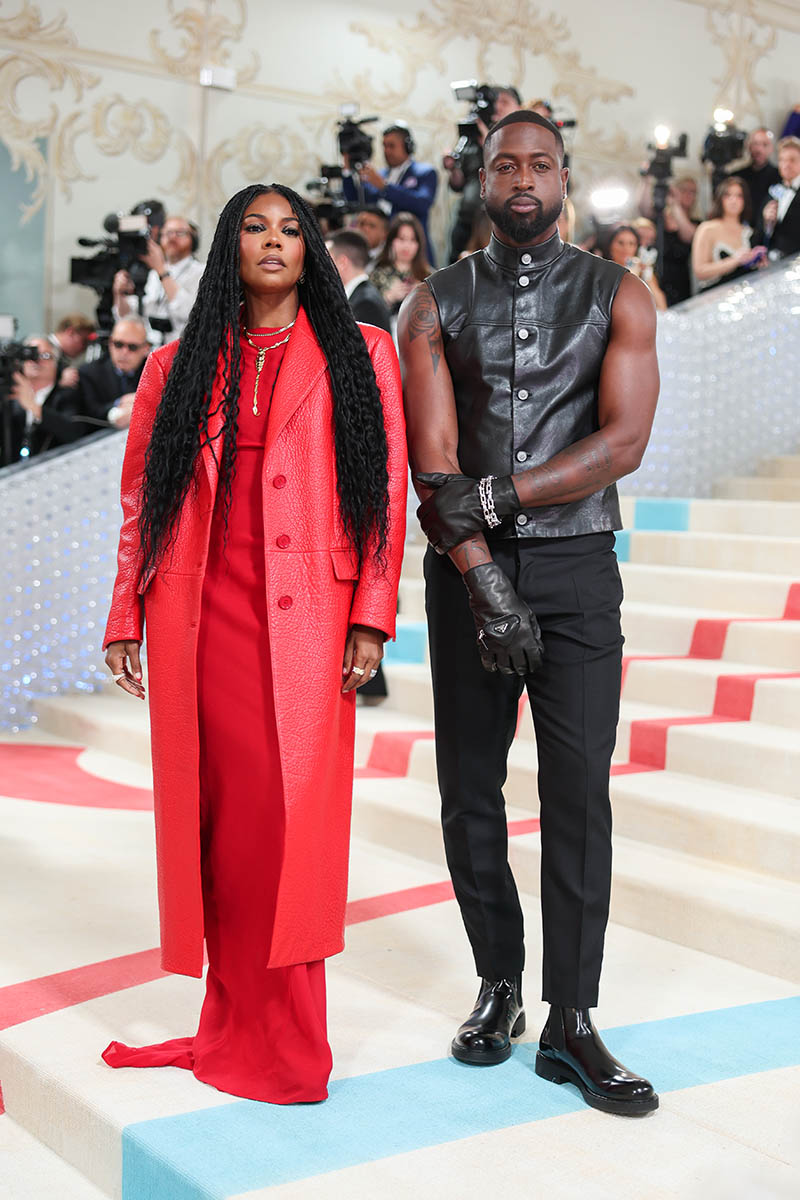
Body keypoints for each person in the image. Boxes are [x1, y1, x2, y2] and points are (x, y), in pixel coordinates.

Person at [100, 183, 406, 1104]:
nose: (272, 242)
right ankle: (227, 1023)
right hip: (201, 615)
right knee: (223, 827)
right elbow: (140, 503)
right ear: (230, 249)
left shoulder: (364, 354)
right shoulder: (175, 367)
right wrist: (127, 612)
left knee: (286, 830)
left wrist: (370, 615)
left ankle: (285, 1044)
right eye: (253, 229)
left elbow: (383, 496)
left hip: (310, 615)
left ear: (311, 249)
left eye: (288, 230)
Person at [398, 110, 660, 1116]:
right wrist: (483, 575)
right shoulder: (428, 304)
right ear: (480, 178)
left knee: (577, 798)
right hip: (465, 573)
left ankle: (573, 1020)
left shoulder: (619, 294)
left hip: (579, 570)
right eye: (503, 164)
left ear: (562, 178)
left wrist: (503, 498)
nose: (522, 178)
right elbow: (434, 467)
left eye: (538, 165)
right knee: (470, 793)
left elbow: (622, 442)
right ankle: (498, 984)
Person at [342, 123, 439, 265]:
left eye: (392, 146)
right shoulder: (379, 175)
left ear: (408, 147)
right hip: (380, 253)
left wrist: (385, 187)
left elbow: (422, 203)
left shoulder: (425, 172)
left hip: (413, 253)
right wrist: (347, 170)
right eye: (384, 146)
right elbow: (356, 200)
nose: (387, 151)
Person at [444, 87, 522, 262]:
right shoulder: (472, 137)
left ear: (519, 107)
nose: (498, 107)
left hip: (495, 225)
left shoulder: (518, 140)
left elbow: (510, 173)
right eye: (495, 102)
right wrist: (452, 167)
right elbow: (457, 184)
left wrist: (490, 141)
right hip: (466, 219)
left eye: (505, 102)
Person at [112, 214, 204, 345]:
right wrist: (119, 294)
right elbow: (130, 315)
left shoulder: (201, 272)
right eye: (167, 233)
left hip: (184, 348)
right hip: (153, 350)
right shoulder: (154, 274)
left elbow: (187, 312)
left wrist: (161, 270)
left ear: (194, 240)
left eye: (180, 233)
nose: (172, 237)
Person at [56, 318, 150, 432]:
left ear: (146, 348)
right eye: (118, 344)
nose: (124, 352)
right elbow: (89, 413)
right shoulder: (89, 372)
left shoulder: (157, 372)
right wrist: (118, 405)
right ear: (110, 343)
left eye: (132, 347)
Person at [692, 176, 765, 290]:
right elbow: (700, 271)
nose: (733, 200)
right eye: (728, 195)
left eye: (739, 196)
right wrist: (735, 260)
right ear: (720, 198)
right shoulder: (707, 229)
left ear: (745, 200)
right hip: (714, 297)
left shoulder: (749, 232)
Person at [326, 230, 392, 332]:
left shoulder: (366, 304)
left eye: (327, 259)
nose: (322, 265)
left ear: (342, 262)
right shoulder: (359, 297)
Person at [371, 213, 433, 315]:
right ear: (391, 241)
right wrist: (389, 298)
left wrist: (423, 297)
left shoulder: (429, 276)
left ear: (419, 244)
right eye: (401, 239)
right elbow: (368, 312)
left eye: (412, 240)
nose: (406, 246)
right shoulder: (377, 274)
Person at [603, 224, 668, 311]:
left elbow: (662, 307)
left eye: (631, 244)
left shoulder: (642, 270)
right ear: (610, 246)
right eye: (620, 243)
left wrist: (647, 275)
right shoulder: (604, 272)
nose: (626, 248)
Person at [734, 128, 780, 234]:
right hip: (740, 230)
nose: (759, 149)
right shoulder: (738, 176)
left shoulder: (779, 176)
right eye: (755, 144)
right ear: (749, 146)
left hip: (768, 233)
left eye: (764, 144)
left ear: (772, 148)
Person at [762, 136, 800, 259]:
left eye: (792, 160)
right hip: (776, 262)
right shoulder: (774, 191)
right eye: (782, 160)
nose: (786, 165)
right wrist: (767, 222)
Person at [48, 313, 95, 387]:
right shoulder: (42, 348)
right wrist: (59, 382)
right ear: (71, 332)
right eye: (84, 341)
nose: (85, 348)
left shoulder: (59, 355)